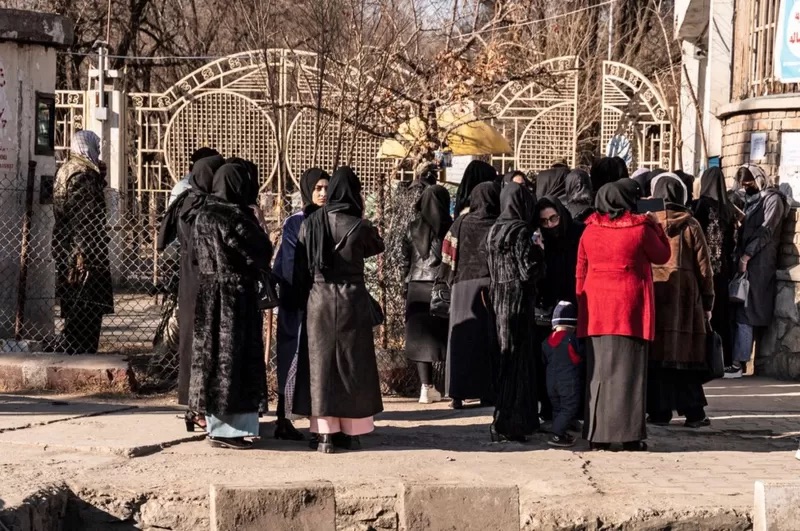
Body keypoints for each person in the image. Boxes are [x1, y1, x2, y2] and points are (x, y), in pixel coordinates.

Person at [293, 167, 385, 453]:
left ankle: (324, 435)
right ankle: (351, 431)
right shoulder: (360, 225)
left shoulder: (310, 223)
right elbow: (376, 247)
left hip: (318, 300)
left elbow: (299, 267)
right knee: (351, 365)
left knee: (320, 366)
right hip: (352, 301)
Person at [576, 180, 671, 451]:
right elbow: (662, 255)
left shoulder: (589, 231)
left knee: (598, 374)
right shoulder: (640, 229)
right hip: (630, 308)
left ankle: (596, 435)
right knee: (630, 374)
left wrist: (583, 307)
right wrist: (656, 224)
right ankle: (629, 436)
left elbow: (580, 272)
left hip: (596, 309)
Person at [189, 163, 272, 450]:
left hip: (208, 294)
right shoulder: (234, 216)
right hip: (234, 298)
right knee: (234, 362)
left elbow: (195, 257)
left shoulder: (203, 214)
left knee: (211, 360)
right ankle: (228, 430)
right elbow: (260, 251)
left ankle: (215, 424)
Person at [157, 153, 225, 425]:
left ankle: (191, 406)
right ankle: (203, 408)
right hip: (206, 278)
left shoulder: (184, 202)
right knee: (208, 344)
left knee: (189, 343)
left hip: (187, 279)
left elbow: (165, 240)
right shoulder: (210, 206)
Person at [647, 173, 715, 428]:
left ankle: (658, 413)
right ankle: (694, 414)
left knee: (657, 359)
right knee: (685, 361)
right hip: (685, 301)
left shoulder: (648, 222)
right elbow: (704, 268)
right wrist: (708, 303)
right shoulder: (691, 224)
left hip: (655, 294)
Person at [273, 168, 330, 440]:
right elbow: (288, 262)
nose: (323, 193)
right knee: (291, 355)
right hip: (296, 299)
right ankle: (283, 418)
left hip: (321, 299)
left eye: (326, 187)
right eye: (317, 188)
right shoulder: (295, 221)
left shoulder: (332, 218)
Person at [486, 182, 545, 442]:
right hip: (517, 300)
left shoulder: (494, 230)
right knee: (519, 362)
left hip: (497, 297)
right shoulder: (520, 231)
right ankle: (514, 422)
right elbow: (527, 270)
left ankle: (501, 418)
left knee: (504, 360)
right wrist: (540, 252)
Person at [438, 182, 501, 409]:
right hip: (490, 288)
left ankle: (457, 393)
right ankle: (487, 392)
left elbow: (446, 253)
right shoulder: (498, 224)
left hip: (462, 288)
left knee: (460, 340)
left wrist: (448, 279)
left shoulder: (460, 224)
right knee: (487, 341)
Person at [53, 130, 114, 355]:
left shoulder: (68, 168)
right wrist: (83, 254)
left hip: (67, 246)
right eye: (96, 146)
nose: (98, 151)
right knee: (86, 304)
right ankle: (83, 350)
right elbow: (83, 218)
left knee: (74, 301)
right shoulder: (83, 174)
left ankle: (75, 345)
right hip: (84, 251)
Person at [726, 165, 789, 378]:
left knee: (747, 312)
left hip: (759, 263)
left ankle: (738, 363)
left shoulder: (772, 200)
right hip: (748, 262)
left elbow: (766, 231)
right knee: (741, 310)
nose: (747, 188)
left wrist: (747, 256)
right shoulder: (754, 201)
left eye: (749, 184)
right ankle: (738, 361)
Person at [532, 196, 585, 422]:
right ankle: (551, 410)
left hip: (576, 306)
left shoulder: (578, 233)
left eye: (554, 218)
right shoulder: (540, 241)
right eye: (544, 221)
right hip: (549, 311)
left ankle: (573, 412)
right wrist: (540, 252)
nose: (551, 225)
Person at [402, 184, 453, 403]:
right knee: (449, 335)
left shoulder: (412, 227)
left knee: (421, 338)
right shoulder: (449, 227)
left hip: (416, 286)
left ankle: (426, 387)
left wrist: (404, 285)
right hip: (442, 287)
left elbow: (405, 260)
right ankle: (452, 388)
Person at [693, 167, 737, 365]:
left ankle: (705, 360)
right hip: (723, 270)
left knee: (704, 313)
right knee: (722, 315)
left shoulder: (700, 206)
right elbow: (731, 243)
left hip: (702, 270)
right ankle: (724, 360)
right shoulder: (729, 209)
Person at [542, 301, 583, 447]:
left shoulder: (546, 341)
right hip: (568, 381)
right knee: (569, 408)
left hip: (550, 381)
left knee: (557, 408)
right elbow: (580, 356)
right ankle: (556, 434)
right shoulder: (572, 339)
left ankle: (559, 430)